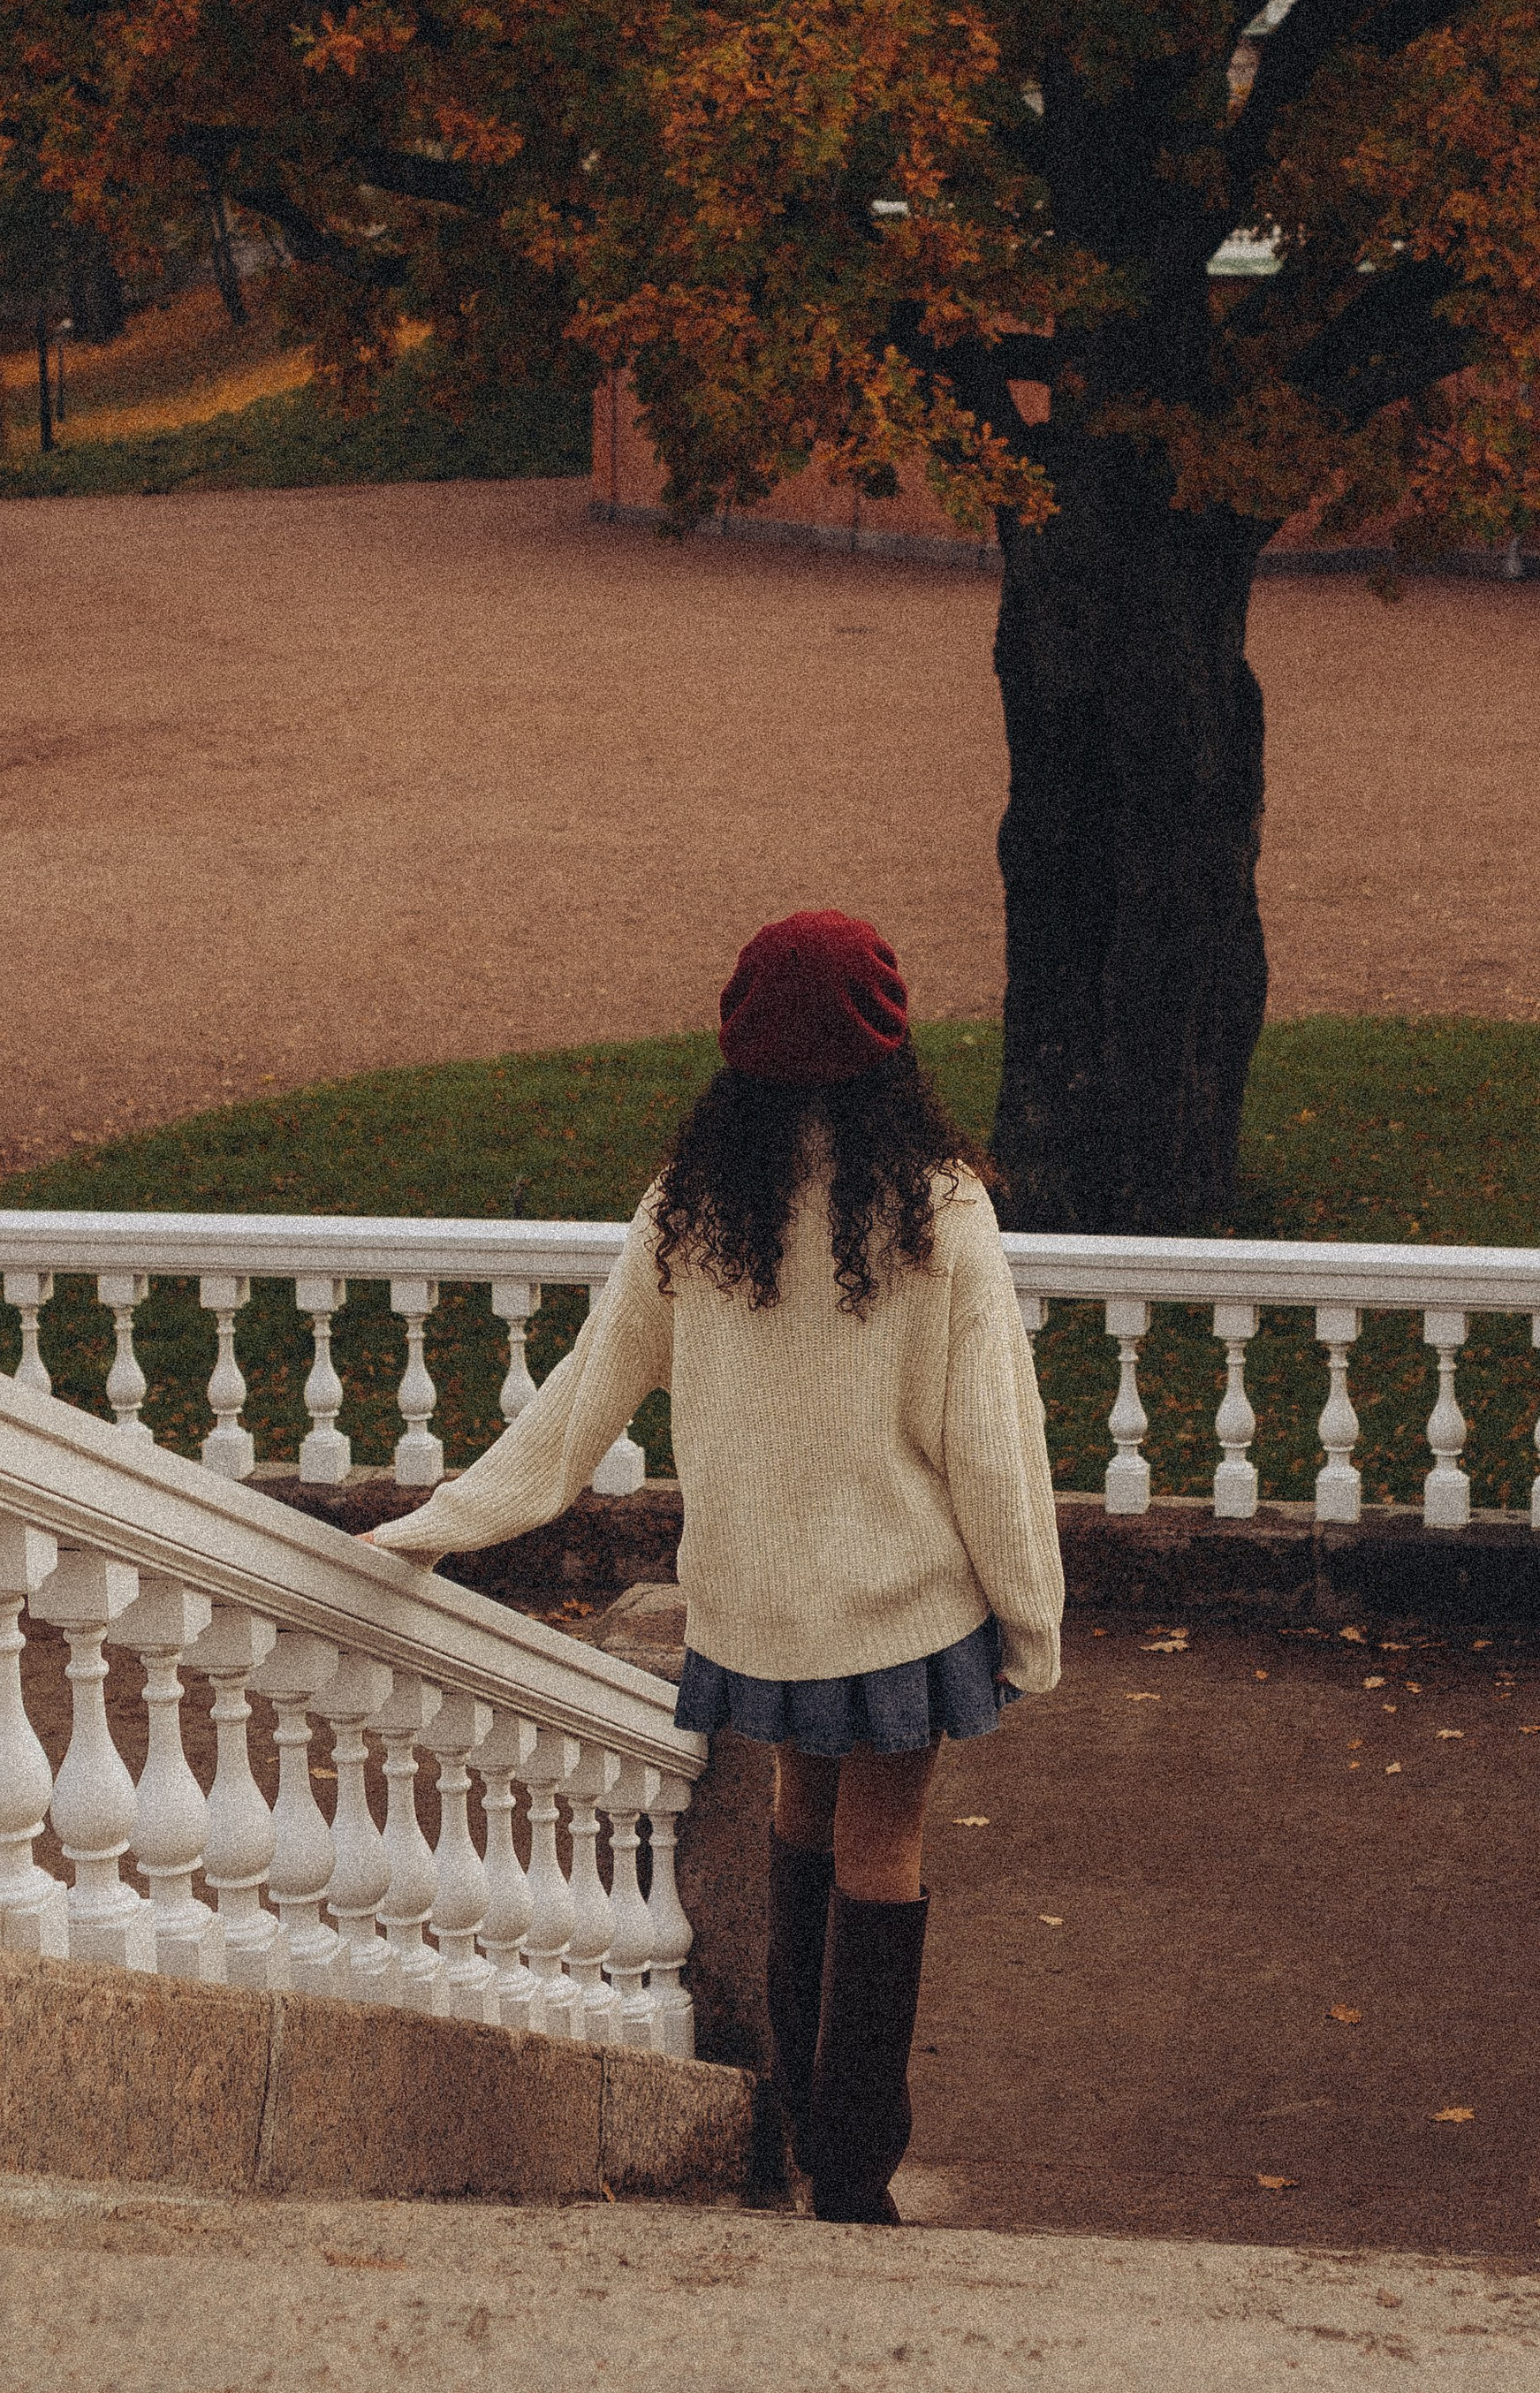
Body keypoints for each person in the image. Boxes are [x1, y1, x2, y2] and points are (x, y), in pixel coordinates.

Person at [373, 908, 1065, 2225]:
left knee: (801, 1816)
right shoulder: (940, 1211)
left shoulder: (689, 1212)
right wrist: (1032, 1620)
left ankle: (806, 2126)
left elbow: (579, 1405)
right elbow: (994, 1444)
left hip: (757, 1612)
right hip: (904, 1608)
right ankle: (855, 2173)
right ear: (890, 1046)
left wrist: (439, 1521)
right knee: (882, 1843)